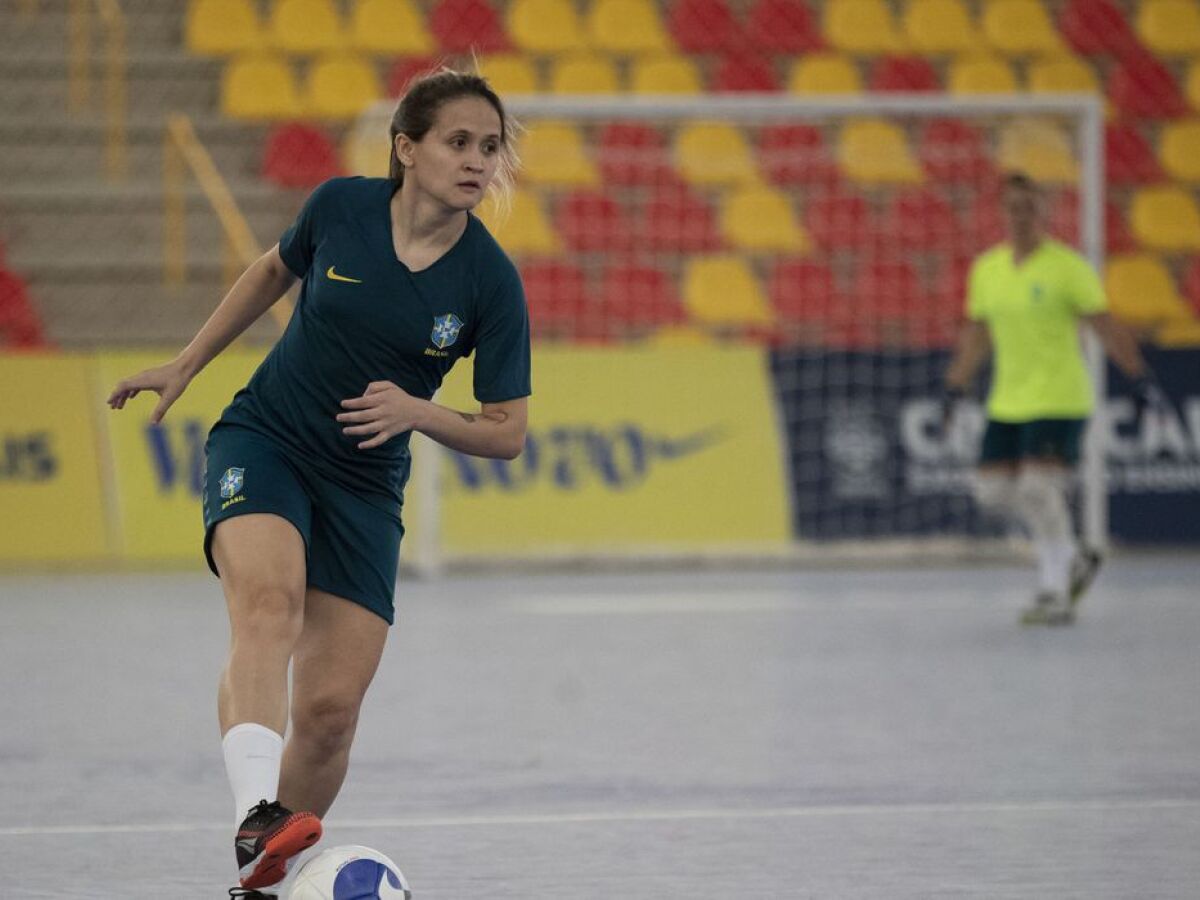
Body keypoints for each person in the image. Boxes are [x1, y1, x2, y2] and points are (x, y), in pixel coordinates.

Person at [107, 70, 530, 896]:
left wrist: (416, 410)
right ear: (406, 148)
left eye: (489, 147)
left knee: (332, 715)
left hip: (366, 487)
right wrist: (188, 364)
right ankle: (257, 816)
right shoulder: (340, 208)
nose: (478, 161)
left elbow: (506, 432)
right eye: (458, 142)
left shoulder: (490, 281)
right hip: (266, 439)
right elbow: (271, 272)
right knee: (269, 605)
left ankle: (255, 885)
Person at [943, 171, 1159, 626]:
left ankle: (1055, 591)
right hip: (1008, 400)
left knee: (1038, 488)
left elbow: (1104, 325)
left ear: (1045, 213)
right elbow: (977, 334)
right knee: (990, 493)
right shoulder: (988, 270)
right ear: (1001, 212)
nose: (1021, 217)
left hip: (1060, 397)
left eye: (1030, 208)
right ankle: (1075, 555)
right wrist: (955, 386)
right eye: (1013, 208)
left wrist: (1140, 379)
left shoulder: (1069, 267)